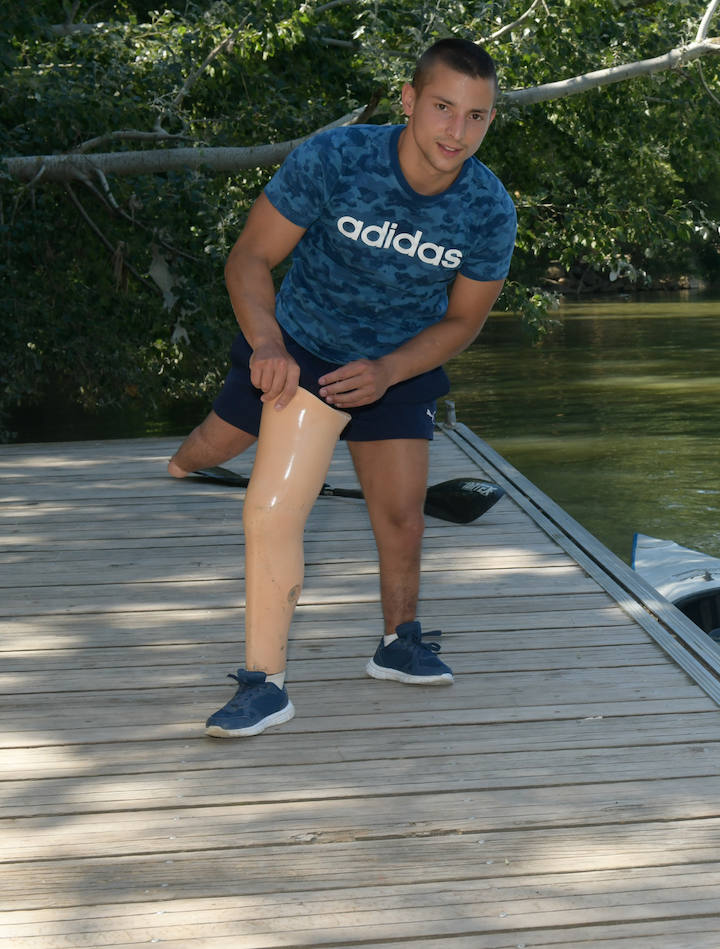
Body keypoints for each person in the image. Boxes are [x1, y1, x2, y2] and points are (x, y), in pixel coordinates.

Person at [171, 38, 517, 738]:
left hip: (394, 364)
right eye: (444, 108)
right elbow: (251, 258)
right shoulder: (338, 159)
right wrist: (267, 344)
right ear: (410, 101)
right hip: (298, 348)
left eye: (476, 116)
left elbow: (463, 320)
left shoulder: (488, 208)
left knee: (401, 516)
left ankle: (379, 648)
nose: (457, 132)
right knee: (219, 446)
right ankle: (180, 461)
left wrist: (390, 370)